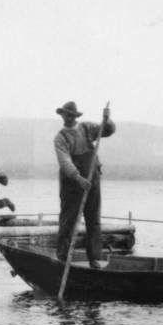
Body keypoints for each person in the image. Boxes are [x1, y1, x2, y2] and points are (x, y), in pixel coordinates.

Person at [55, 101, 115, 268]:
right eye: (66, 114)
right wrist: (78, 177)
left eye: (72, 115)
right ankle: (63, 258)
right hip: (72, 184)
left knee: (93, 219)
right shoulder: (60, 138)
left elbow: (108, 131)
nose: (69, 117)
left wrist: (107, 119)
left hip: (92, 179)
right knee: (69, 220)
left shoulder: (87, 128)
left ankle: (94, 258)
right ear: (62, 115)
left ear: (76, 116)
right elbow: (65, 162)